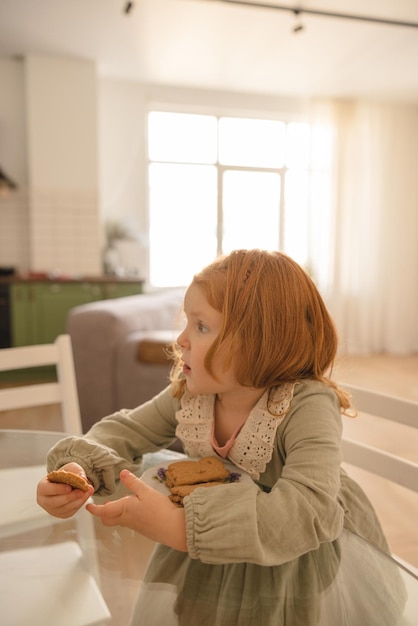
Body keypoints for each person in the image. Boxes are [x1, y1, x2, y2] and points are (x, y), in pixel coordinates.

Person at [37, 249, 406, 625]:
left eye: (201, 326)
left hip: (296, 568)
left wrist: (180, 527)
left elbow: (308, 510)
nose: (180, 339)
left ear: (260, 342)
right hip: (207, 557)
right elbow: (124, 431)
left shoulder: (306, 404)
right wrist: (78, 467)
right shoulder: (193, 394)